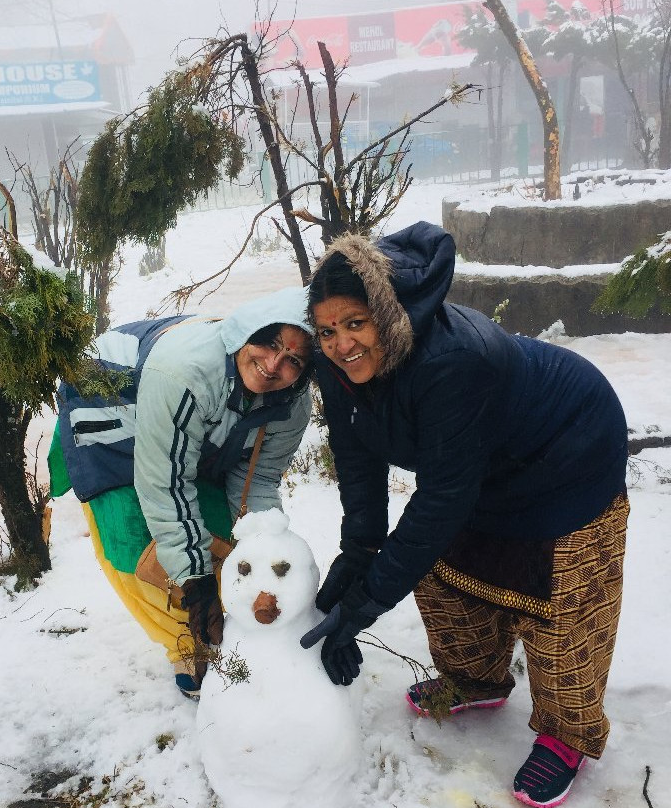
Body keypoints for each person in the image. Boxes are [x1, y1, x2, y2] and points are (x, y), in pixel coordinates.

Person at [301, 222, 628, 808]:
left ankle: (565, 733)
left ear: (388, 312)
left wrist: (366, 606)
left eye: (355, 323)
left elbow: (443, 500)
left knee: (562, 604)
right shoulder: (335, 365)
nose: (341, 343)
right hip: (480, 465)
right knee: (448, 573)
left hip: (565, 453)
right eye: (327, 330)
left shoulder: (451, 361)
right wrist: (357, 555)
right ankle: (476, 677)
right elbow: (358, 462)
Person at [49, 286, 314, 699]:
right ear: (248, 330)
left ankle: (225, 629)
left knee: (221, 533)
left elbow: (257, 481)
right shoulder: (187, 370)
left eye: (294, 359)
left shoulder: (293, 405)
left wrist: (261, 552)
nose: (273, 364)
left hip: (199, 428)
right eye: (270, 342)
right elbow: (164, 484)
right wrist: (196, 581)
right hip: (111, 412)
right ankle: (184, 644)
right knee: (135, 540)